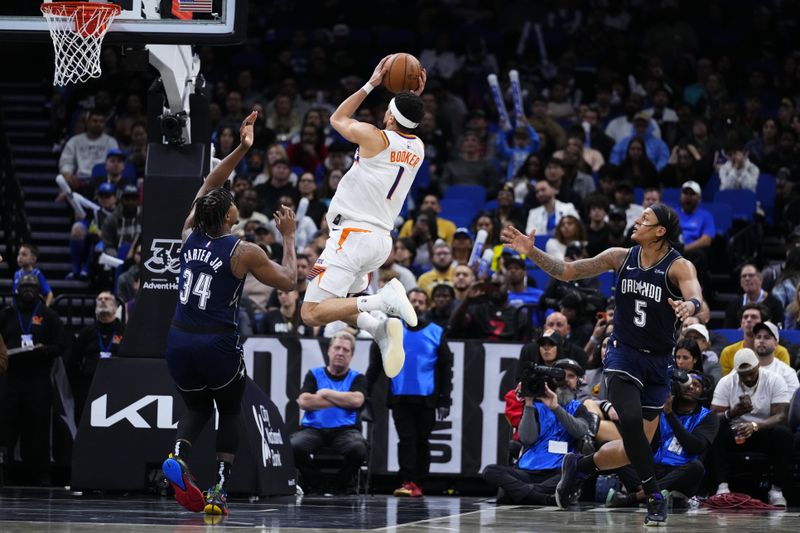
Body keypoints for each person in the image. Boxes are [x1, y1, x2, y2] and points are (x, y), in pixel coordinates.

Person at [502, 202, 704, 526]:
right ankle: (653, 495)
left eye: (645, 219)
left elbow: (697, 297)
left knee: (634, 448)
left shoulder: (678, 266)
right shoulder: (619, 257)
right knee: (633, 423)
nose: (636, 221)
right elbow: (567, 271)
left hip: (658, 362)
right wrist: (532, 251)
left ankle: (579, 468)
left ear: (660, 231)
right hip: (623, 353)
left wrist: (690, 307)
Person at [161, 112, 298, 517]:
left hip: (178, 340)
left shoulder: (188, 233)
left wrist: (241, 149)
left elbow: (210, 185)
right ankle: (220, 489)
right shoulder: (243, 250)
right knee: (230, 408)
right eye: (233, 203)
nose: (236, 202)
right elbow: (290, 281)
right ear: (226, 217)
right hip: (215, 343)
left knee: (198, 408)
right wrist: (288, 237)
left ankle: (179, 455)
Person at [300, 56, 427, 379]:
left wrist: (372, 82)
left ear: (389, 115)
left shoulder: (376, 138)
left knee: (311, 313)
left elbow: (337, 118)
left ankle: (382, 299)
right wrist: (413, 99)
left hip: (352, 236)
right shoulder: (418, 148)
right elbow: (407, 119)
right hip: (379, 242)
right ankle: (381, 330)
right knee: (340, 301)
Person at [366, 288, 453, 498]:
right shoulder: (390, 329)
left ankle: (418, 483)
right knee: (406, 439)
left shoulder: (436, 332)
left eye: (421, 302)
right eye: (412, 301)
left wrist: (444, 400)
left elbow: (445, 369)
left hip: (427, 399)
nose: (416, 305)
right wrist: (364, 391)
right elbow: (376, 364)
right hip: (400, 397)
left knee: (422, 441)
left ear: (426, 306)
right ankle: (407, 482)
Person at [483, 360, 595, 505]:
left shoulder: (579, 408)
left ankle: (521, 493)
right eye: (561, 375)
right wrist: (528, 403)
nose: (565, 380)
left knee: (573, 477)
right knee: (489, 471)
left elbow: (580, 431)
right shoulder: (537, 406)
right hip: (528, 471)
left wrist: (556, 408)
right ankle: (542, 498)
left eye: (571, 376)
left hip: (558, 473)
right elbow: (527, 439)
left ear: (579, 381)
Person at [607, 373, 719, 508]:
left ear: (703, 391)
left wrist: (670, 414)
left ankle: (635, 497)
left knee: (697, 467)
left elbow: (695, 446)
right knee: (620, 452)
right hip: (654, 469)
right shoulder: (658, 410)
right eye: (687, 384)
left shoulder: (709, 417)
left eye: (696, 385)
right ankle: (651, 495)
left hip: (680, 472)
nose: (691, 387)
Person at [0, 274, 66, 485]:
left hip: (38, 379)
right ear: (17, 289)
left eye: (32, 287)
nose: (28, 290)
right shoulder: (7, 314)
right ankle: (6, 473)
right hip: (10, 379)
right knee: (6, 427)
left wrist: (43, 351)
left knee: (38, 429)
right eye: (24, 286)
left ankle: (39, 475)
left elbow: (61, 346)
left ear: (38, 290)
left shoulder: (49, 315)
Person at [709, 349, 792, 507]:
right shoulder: (727, 382)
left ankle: (776, 490)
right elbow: (712, 418)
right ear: (736, 371)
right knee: (716, 430)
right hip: (736, 432)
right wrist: (732, 412)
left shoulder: (774, 380)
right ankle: (722, 486)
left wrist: (755, 426)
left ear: (758, 366)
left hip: (764, 431)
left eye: (751, 373)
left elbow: (781, 416)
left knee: (784, 434)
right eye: (743, 374)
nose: (747, 377)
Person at [290, 331, 368, 494]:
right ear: (329, 350)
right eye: (337, 348)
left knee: (359, 450)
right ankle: (317, 484)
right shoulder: (314, 374)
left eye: (345, 350)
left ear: (351, 355)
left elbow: (357, 401)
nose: (340, 352)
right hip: (313, 429)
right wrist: (342, 400)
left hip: (345, 431)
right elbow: (304, 402)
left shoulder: (357, 377)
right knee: (293, 446)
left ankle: (339, 485)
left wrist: (325, 393)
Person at [66, 291, 124, 422]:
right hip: (89, 386)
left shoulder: (124, 331)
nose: (103, 301)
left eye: (107, 299)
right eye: (100, 299)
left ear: (115, 307)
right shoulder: (87, 332)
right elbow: (72, 361)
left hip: (117, 387)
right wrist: (79, 386)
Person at [719, 304, 790, 376]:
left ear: (764, 323)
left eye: (754, 317)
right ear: (741, 323)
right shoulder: (727, 352)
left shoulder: (780, 352)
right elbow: (726, 383)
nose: (749, 320)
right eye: (745, 317)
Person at [752, 321, 799, 395]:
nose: (761, 341)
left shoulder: (787, 373)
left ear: (776, 344)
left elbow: (792, 403)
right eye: (758, 337)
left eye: (767, 337)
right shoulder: (743, 368)